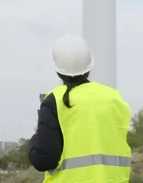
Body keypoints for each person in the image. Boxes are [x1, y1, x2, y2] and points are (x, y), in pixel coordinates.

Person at [29, 33, 131, 182]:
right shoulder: (114, 98)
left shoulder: (53, 101)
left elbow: (43, 160)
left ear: (57, 68)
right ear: (90, 65)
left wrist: (36, 136)